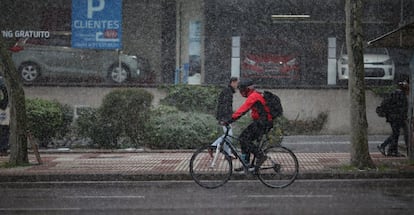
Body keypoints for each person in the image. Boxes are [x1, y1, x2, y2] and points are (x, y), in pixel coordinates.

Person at [226, 79, 273, 171]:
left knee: (244, 139)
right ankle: (246, 164)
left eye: (241, 90)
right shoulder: (254, 95)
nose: (240, 92)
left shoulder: (253, 96)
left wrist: (230, 120)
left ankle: (260, 155)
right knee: (243, 138)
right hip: (261, 122)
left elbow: (242, 110)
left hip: (263, 123)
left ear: (246, 89)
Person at [377, 80, 409, 157]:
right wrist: (403, 116)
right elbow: (400, 107)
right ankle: (383, 145)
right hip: (395, 117)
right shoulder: (400, 94)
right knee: (396, 133)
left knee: (396, 133)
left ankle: (392, 150)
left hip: (393, 116)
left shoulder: (396, 93)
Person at [212, 77, 238, 158]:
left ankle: (227, 154)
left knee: (228, 135)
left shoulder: (228, 91)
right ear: (232, 83)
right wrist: (227, 118)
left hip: (224, 116)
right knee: (228, 135)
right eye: (236, 83)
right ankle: (213, 146)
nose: (237, 85)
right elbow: (225, 106)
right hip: (224, 117)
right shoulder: (228, 92)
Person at [0, 79, 10, 156]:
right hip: (4, 110)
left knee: (4, 129)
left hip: (3, 110)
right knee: (4, 129)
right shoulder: (4, 82)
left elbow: (4, 98)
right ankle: (3, 149)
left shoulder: (2, 84)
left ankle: (3, 149)